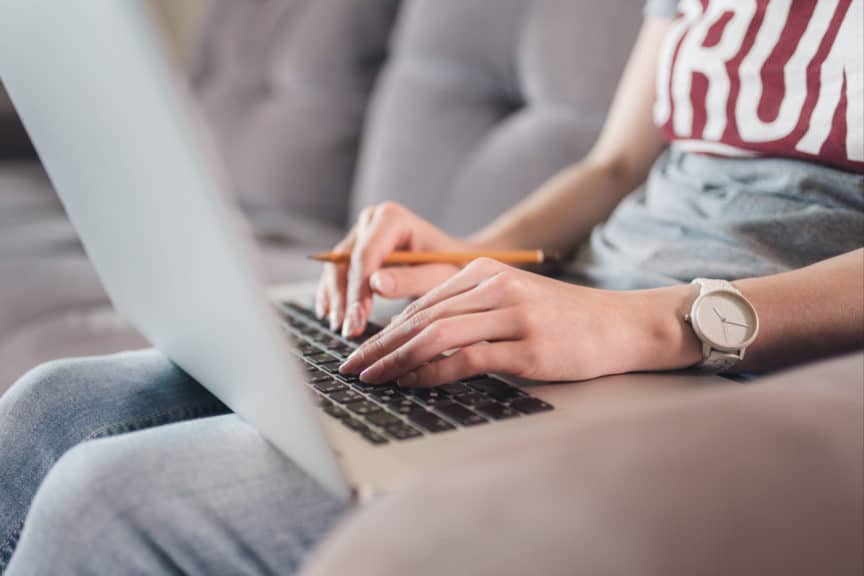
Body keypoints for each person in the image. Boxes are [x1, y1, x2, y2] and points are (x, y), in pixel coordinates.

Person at [1, 1, 861, 573]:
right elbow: (617, 162)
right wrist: (473, 257)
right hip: (588, 311)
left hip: (738, 363)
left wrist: (649, 325)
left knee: (111, 505)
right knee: (52, 407)